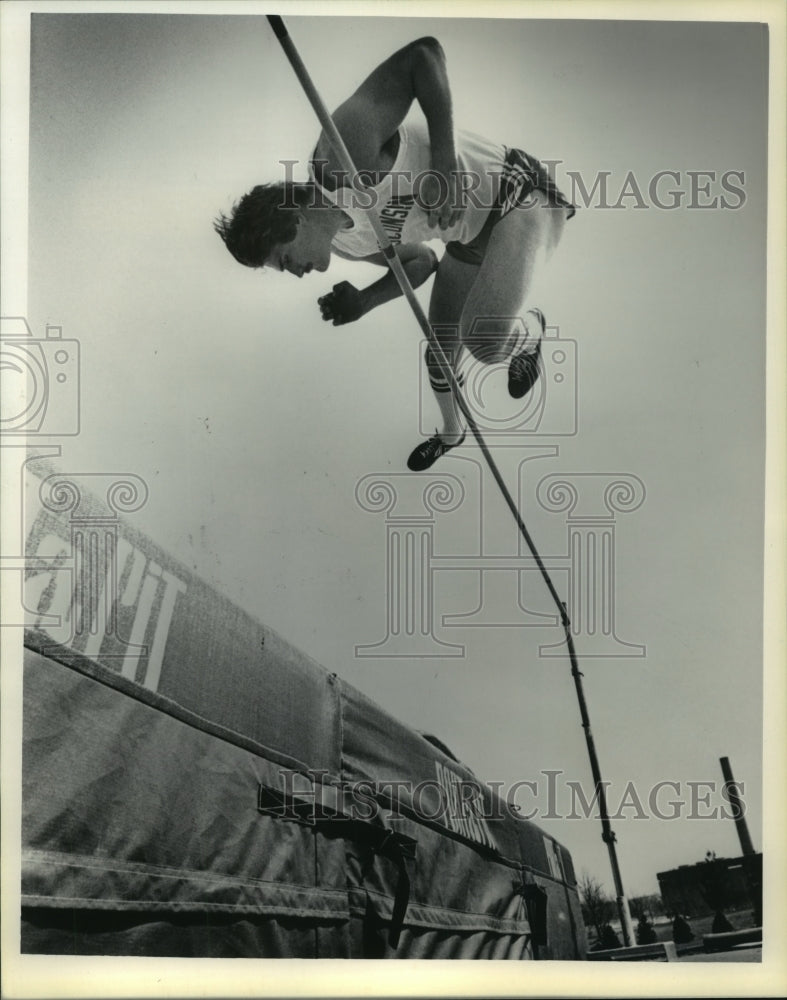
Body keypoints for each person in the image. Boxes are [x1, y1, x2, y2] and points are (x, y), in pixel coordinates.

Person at [215, 37, 574, 470]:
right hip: (468, 241)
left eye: (285, 260)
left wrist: (444, 163)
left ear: (291, 220)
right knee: (440, 353)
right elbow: (421, 261)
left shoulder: (339, 157)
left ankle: (529, 336)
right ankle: (451, 433)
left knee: (483, 338)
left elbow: (424, 55)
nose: (296, 274)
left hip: (519, 196)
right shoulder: (348, 243)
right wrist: (365, 301)